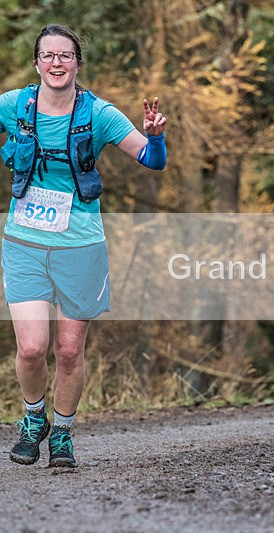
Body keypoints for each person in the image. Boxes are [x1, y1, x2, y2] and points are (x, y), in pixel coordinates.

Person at [1, 24, 167, 468]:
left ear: (77, 63)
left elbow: (152, 161)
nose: (57, 63)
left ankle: (64, 433)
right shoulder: (14, 106)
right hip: (24, 242)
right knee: (33, 348)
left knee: (69, 350)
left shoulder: (100, 114)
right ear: (37, 63)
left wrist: (155, 135)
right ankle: (34, 419)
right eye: (49, 55)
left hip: (80, 246)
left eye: (66, 55)